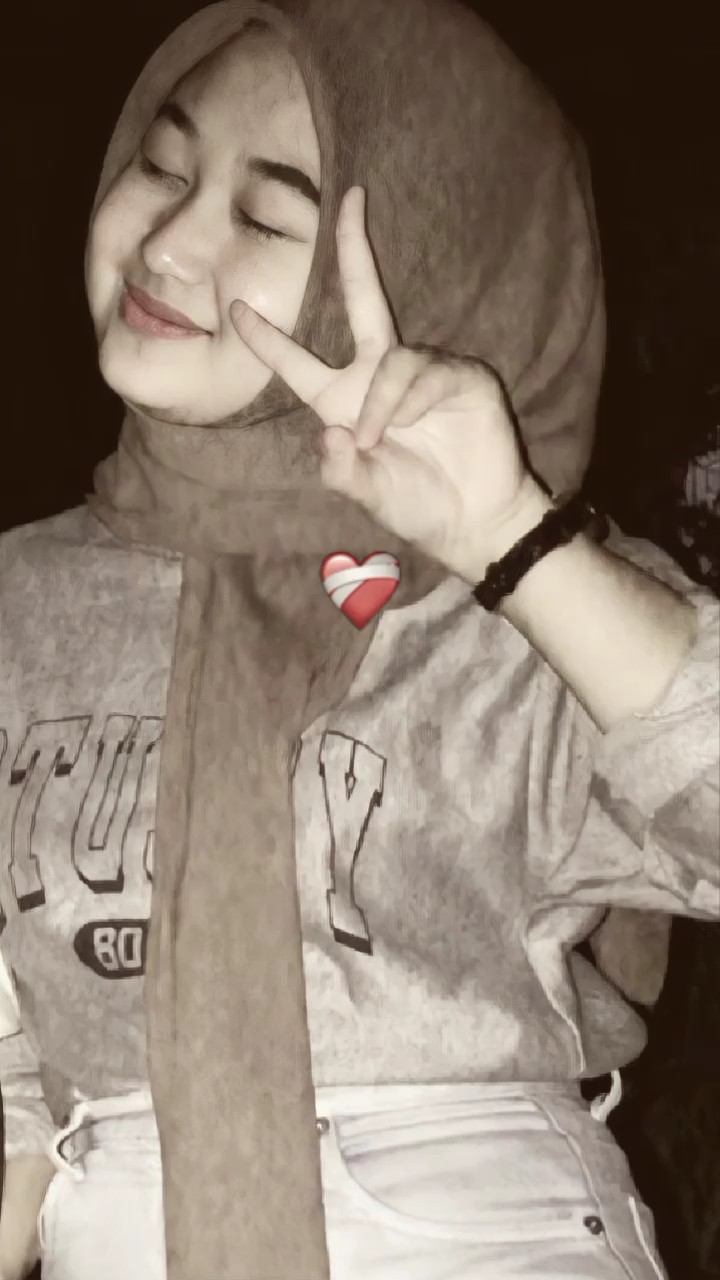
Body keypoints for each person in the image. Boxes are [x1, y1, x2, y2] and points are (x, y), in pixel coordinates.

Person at [0, 1, 718, 1278]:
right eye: (161, 165)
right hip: (117, 1219)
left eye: (268, 217)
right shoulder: (23, 597)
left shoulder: (520, 597)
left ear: (434, 257)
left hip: (479, 1229)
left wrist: (511, 536)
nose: (169, 243)